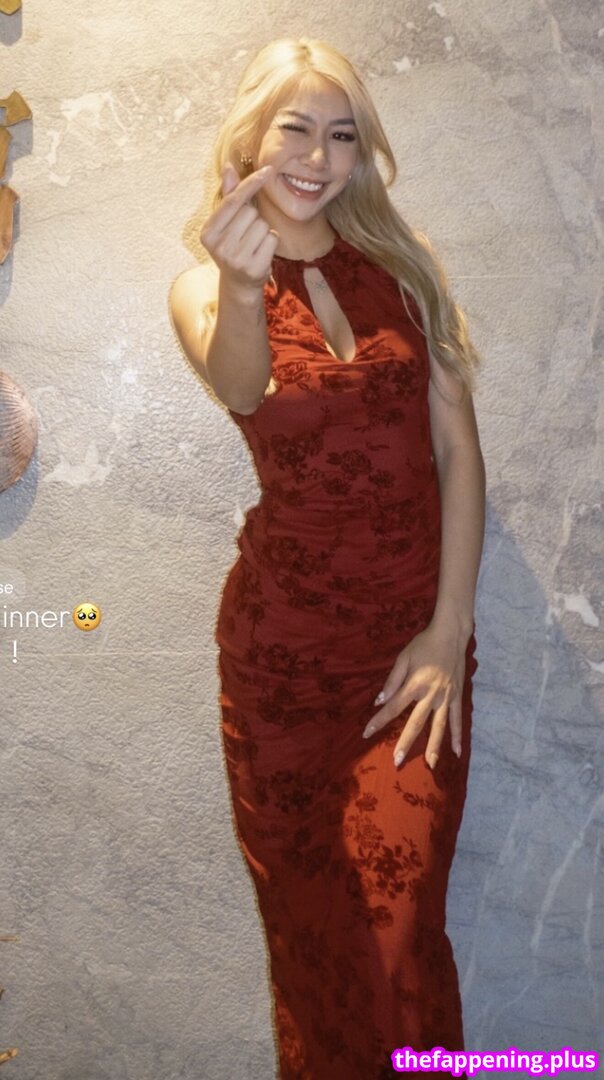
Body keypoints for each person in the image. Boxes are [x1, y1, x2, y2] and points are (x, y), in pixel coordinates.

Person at [169, 35, 486, 1080]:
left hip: (410, 660)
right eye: (295, 129)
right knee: (319, 951)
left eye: (342, 135)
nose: (317, 156)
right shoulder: (203, 287)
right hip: (283, 671)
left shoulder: (404, 269)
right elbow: (244, 386)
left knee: (399, 939)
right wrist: (243, 285)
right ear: (248, 142)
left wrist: (446, 632)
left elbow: (457, 453)